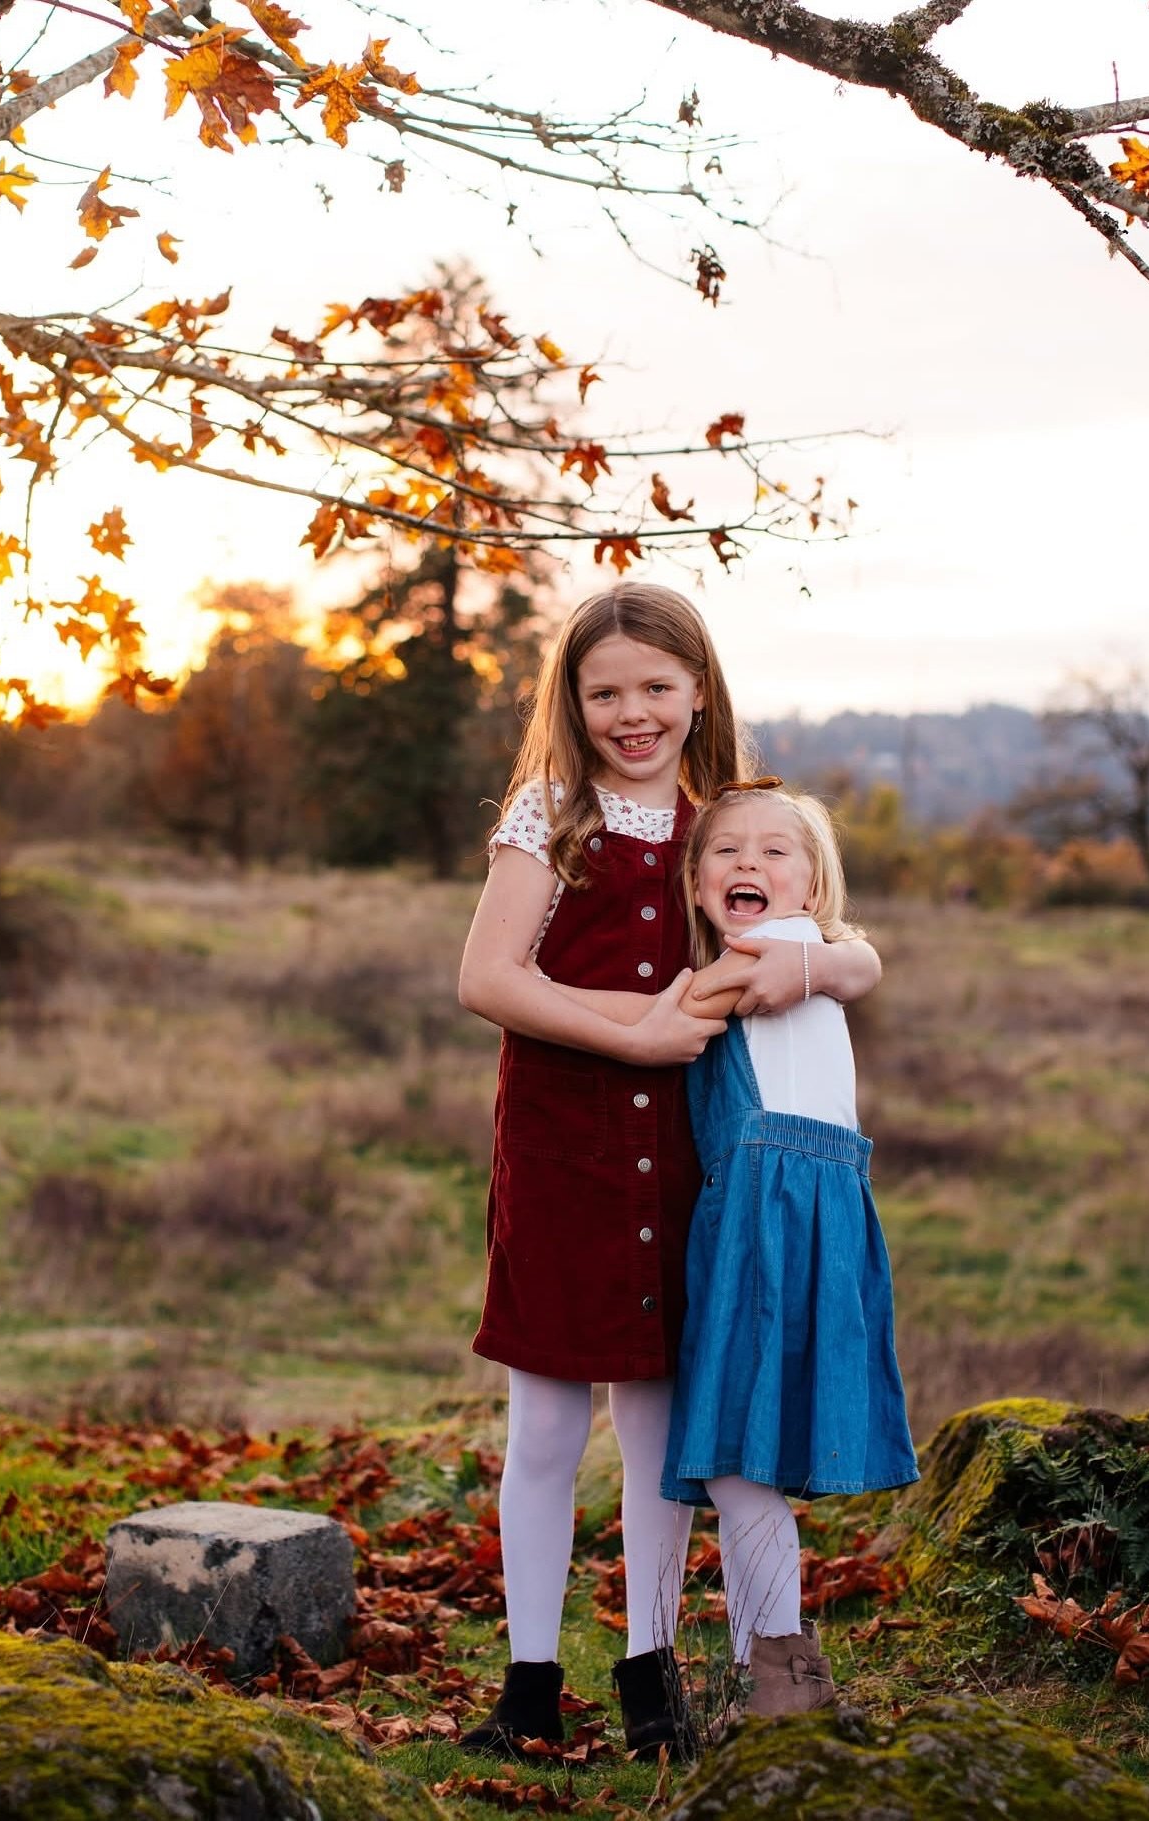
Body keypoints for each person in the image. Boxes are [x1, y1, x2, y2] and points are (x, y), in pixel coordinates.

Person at [457, 586, 882, 1757]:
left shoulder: (721, 823)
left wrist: (842, 969)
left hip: (691, 1167)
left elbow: (831, 933)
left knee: (657, 1428)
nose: (631, 713)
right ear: (572, 701)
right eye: (605, 692)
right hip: (560, 1149)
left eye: (656, 687)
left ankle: (651, 1672)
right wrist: (636, 1029)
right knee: (545, 1423)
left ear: (698, 690)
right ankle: (528, 1683)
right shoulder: (551, 815)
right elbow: (490, 979)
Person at [662, 778, 919, 1721]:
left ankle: (775, 1673)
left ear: (812, 890)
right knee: (747, 1464)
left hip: (771, 1230)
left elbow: (666, 1018)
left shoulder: (780, 954)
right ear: (697, 882)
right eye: (726, 851)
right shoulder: (816, 953)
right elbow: (862, 959)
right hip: (803, 1223)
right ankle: (781, 1669)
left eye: (776, 853)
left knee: (739, 1461)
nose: (749, 865)